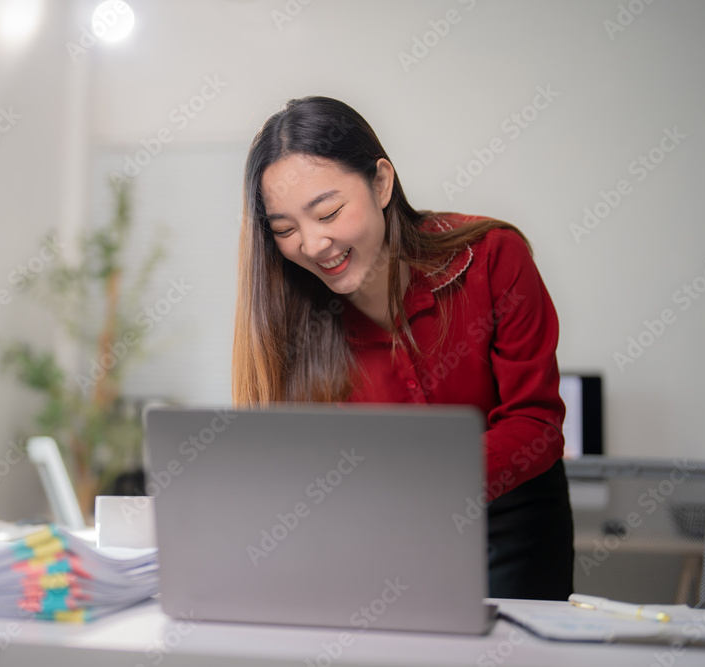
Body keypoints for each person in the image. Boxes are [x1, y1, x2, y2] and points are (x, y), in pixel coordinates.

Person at [232, 96, 573, 600]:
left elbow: (535, 423)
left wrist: (414, 482)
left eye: (327, 211)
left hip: (511, 518)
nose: (313, 243)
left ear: (382, 182)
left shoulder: (494, 257)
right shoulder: (295, 316)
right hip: (385, 531)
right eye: (285, 229)